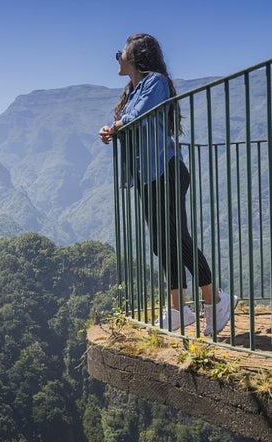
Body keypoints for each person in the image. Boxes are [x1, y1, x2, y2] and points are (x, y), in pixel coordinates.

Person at [98, 33, 233, 335]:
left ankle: (216, 301)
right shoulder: (131, 91)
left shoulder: (155, 82)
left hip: (167, 170)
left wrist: (116, 126)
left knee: (178, 238)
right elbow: (127, 121)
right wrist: (111, 131)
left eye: (120, 53)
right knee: (161, 244)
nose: (117, 58)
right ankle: (178, 310)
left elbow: (136, 116)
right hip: (147, 176)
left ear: (134, 56)